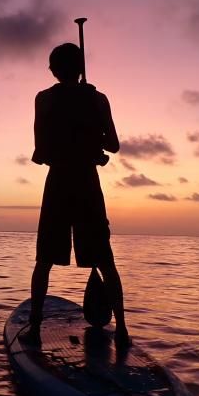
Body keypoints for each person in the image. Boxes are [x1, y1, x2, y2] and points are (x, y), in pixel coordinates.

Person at [28, 42, 130, 348]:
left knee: (44, 260)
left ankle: (34, 329)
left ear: (54, 70)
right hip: (87, 184)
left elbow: (41, 151)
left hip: (58, 182)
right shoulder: (97, 99)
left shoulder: (43, 99)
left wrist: (75, 141)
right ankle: (123, 330)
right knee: (105, 261)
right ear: (81, 68)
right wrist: (91, 143)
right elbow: (113, 145)